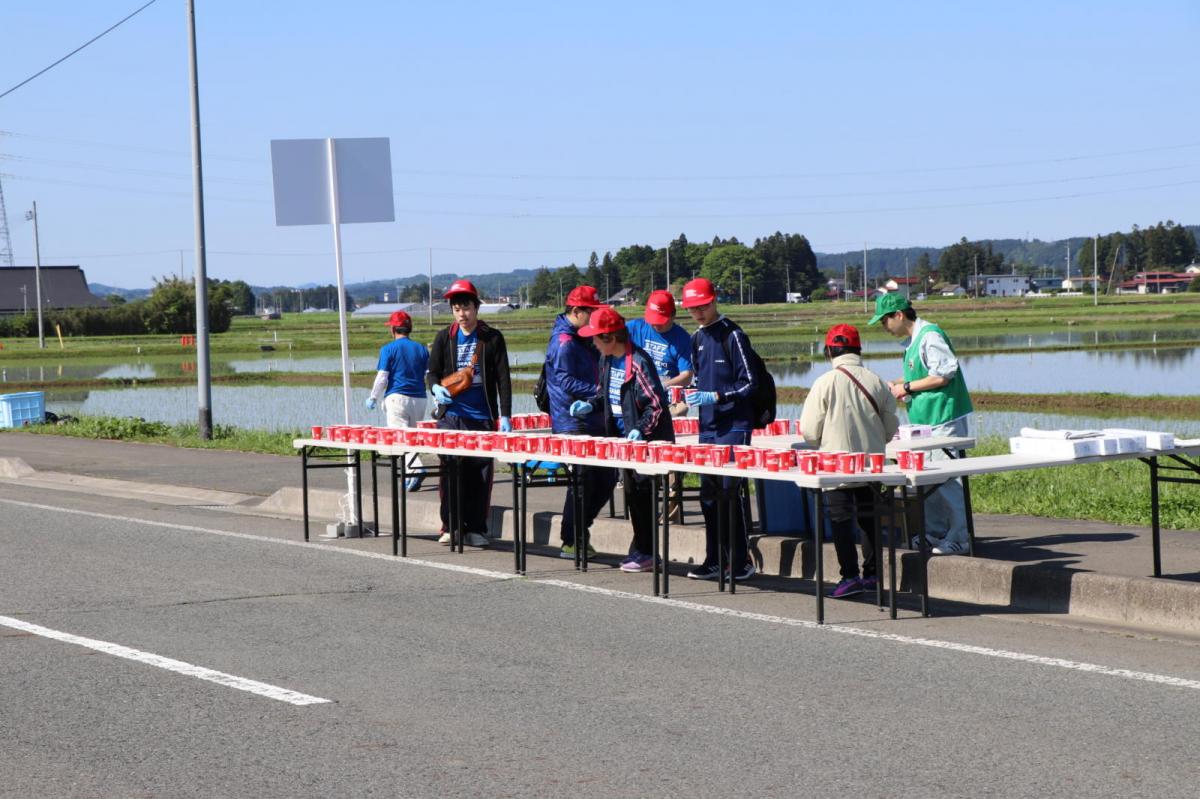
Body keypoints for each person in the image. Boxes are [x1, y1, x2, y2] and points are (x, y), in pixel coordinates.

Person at [869, 292, 974, 555]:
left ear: (899, 315)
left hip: (944, 419)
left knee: (948, 480)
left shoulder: (929, 336)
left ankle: (959, 538)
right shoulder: (912, 342)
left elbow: (944, 374)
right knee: (927, 480)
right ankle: (935, 533)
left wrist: (905, 386)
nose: (884, 327)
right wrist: (897, 385)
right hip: (925, 423)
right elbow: (920, 377)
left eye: (884, 321)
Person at [799, 324, 900, 597]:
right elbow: (891, 426)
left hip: (836, 464)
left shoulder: (824, 382)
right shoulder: (876, 381)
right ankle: (873, 576)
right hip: (872, 464)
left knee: (841, 519)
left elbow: (808, 431)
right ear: (858, 349)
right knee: (869, 519)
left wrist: (823, 440)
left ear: (830, 349)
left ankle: (849, 577)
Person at [573, 306, 674, 572]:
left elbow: (657, 405)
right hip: (621, 439)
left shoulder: (638, 361)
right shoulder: (606, 360)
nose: (592, 342)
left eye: (596, 337)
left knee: (642, 495)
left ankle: (647, 552)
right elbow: (604, 396)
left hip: (646, 440)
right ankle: (641, 550)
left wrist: (640, 429)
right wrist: (589, 405)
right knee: (632, 495)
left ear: (610, 337)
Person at [681, 277, 758, 581]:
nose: (698, 313)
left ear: (714, 302)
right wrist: (690, 395)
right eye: (692, 308)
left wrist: (718, 395)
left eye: (702, 306)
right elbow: (699, 378)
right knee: (708, 496)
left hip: (734, 425)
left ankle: (740, 561)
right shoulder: (697, 338)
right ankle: (714, 559)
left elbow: (750, 383)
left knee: (730, 492)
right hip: (708, 425)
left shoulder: (734, 335)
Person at [426, 280, 512, 547]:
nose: (462, 314)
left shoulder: (492, 338)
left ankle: (476, 528)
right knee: (450, 472)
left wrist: (505, 415)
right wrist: (436, 388)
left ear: (476, 307)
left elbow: (503, 379)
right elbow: (431, 372)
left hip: (481, 416)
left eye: (466, 308)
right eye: (456, 309)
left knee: (480, 474)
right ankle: (450, 526)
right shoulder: (445, 337)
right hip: (451, 416)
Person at [546, 285, 617, 559]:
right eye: (591, 312)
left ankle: (580, 530)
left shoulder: (582, 336)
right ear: (576, 311)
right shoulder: (564, 341)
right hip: (572, 419)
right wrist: (598, 392)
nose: (594, 317)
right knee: (582, 480)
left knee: (606, 477)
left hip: (593, 416)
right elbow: (564, 380)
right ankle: (570, 539)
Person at [365, 310, 429, 492]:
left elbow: (382, 377)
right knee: (412, 438)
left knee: (401, 438)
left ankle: (417, 468)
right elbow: (429, 375)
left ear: (393, 329)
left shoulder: (388, 349)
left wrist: (373, 397)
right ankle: (411, 475)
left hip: (397, 398)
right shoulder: (422, 349)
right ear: (409, 328)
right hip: (420, 399)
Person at [626, 289, 693, 416]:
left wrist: (662, 385)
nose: (656, 325)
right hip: (637, 395)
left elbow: (687, 376)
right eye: (653, 320)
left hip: (666, 398)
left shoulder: (682, 339)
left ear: (673, 315)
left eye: (661, 320)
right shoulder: (634, 327)